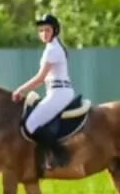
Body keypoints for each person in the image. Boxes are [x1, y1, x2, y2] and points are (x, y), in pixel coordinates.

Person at [13, 13, 74, 170]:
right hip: (56, 91)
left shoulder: (52, 49)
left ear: (54, 30)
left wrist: (21, 90)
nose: (44, 33)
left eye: (47, 30)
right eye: (41, 31)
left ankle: (58, 155)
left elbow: (40, 78)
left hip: (59, 93)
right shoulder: (51, 47)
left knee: (31, 124)